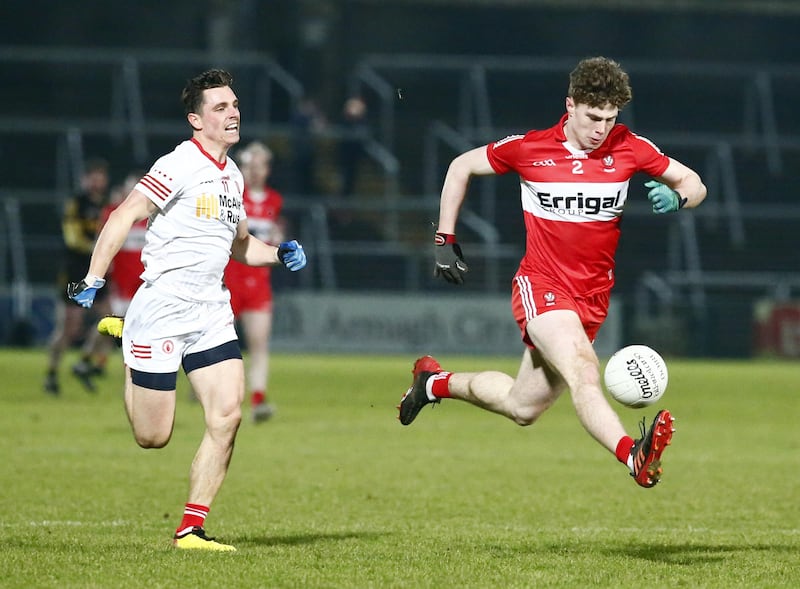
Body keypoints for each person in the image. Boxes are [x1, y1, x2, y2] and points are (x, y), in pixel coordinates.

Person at [398, 56, 707, 489]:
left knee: (522, 407)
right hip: (543, 286)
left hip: (592, 300)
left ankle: (432, 383)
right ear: (570, 105)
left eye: (610, 118)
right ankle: (632, 456)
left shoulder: (629, 146)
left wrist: (680, 200)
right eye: (593, 116)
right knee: (583, 370)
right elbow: (461, 165)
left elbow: (694, 182)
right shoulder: (531, 149)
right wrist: (443, 238)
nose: (601, 128)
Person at [66, 69, 307, 551]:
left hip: (211, 309)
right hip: (162, 308)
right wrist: (94, 278)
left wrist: (277, 252)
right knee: (153, 437)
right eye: (220, 107)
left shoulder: (233, 175)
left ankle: (191, 530)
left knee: (228, 415)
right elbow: (123, 215)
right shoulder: (179, 162)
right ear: (196, 120)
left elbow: (241, 246)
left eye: (234, 104)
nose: (233, 112)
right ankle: (130, 345)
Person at [223, 141, 285, 423]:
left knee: (259, 345)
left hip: (258, 283)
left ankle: (258, 398)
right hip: (228, 281)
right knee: (214, 342)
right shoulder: (233, 193)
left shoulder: (274, 200)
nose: (256, 171)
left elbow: (274, 238)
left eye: (261, 165)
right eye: (251, 165)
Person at [44, 157, 114, 394]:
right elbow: (71, 236)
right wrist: (94, 246)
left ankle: (83, 362)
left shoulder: (109, 204)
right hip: (77, 270)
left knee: (109, 319)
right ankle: (51, 374)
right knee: (68, 326)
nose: (97, 181)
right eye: (93, 176)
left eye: (101, 176)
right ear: (86, 179)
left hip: (99, 270)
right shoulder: (77, 203)